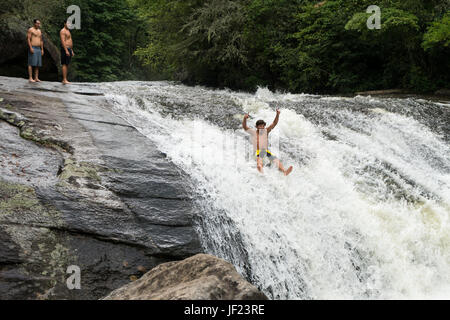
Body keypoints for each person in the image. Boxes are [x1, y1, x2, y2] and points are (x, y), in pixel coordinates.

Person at [243, 109, 293, 176]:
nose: (262, 127)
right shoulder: (254, 132)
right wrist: (244, 119)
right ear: (257, 127)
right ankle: (260, 169)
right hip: (257, 152)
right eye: (260, 126)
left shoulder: (266, 131)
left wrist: (277, 114)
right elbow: (245, 127)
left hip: (266, 151)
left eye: (263, 126)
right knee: (259, 160)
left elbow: (274, 123)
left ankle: (284, 171)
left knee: (275, 160)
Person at [60, 20, 74, 84]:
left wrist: (71, 50)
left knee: (67, 64)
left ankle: (65, 79)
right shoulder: (63, 31)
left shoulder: (68, 31)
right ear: (64, 23)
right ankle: (64, 79)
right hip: (65, 49)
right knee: (64, 64)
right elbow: (63, 41)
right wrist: (66, 50)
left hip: (69, 49)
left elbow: (70, 40)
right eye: (68, 23)